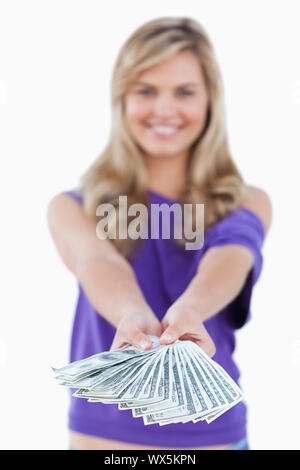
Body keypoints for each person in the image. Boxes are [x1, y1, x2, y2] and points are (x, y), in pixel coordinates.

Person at [47, 17, 272, 450]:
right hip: (106, 440)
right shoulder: (74, 207)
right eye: (145, 90)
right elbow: (99, 262)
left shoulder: (244, 201)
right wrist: (133, 313)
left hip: (212, 439)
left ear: (210, 100)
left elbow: (229, 258)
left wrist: (190, 309)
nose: (165, 110)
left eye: (184, 91)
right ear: (122, 100)